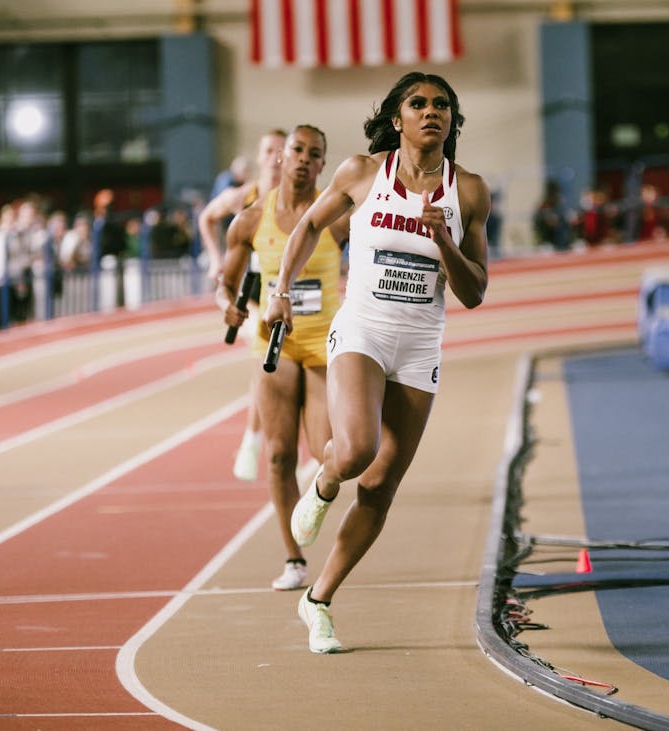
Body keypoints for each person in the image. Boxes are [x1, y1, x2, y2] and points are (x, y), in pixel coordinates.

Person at [263, 72, 490, 653]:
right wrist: (280, 289)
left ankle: (317, 602)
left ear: (451, 120)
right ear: (398, 118)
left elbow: (475, 292)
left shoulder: (467, 191)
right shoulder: (363, 174)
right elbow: (310, 224)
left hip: (420, 346)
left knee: (382, 486)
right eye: (418, 103)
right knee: (358, 448)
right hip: (363, 328)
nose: (431, 112)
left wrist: (443, 242)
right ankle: (324, 480)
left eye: (442, 104)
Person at [218, 124, 349, 591]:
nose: (303, 159)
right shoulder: (252, 219)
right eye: (297, 149)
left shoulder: (338, 217)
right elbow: (226, 283)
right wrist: (227, 305)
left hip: (322, 344)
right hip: (273, 342)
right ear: (281, 157)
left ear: (322, 166)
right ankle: (294, 560)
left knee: (325, 452)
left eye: (315, 154)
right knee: (277, 455)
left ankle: (312, 504)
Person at [199, 128, 287, 483]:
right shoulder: (243, 196)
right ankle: (252, 440)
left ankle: (263, 439)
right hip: (249, 294)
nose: (276, 157)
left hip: (283, 292)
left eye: (283, 151)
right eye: (269, 150)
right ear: (259, 155)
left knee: (275, 367)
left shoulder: (298, 196)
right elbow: (207, 216)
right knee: (264, 360)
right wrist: (215, 257)